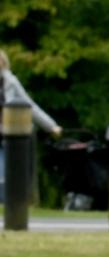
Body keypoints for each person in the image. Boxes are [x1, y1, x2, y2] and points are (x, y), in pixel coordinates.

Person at [0, 49, 63, 202]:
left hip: (8, 134)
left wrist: (51, 126)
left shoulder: (11, 82)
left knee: (6, 172)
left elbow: (29, 106)